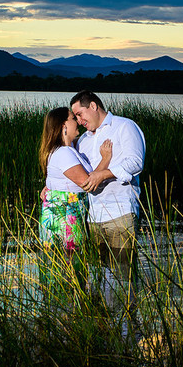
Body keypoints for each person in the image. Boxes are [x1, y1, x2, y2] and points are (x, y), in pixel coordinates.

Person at [69, 90, 146, 310]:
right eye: (75, 118)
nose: (79, 121)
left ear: (93, 106)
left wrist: (104, 173)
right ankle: (108, 329)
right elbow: (77, 174)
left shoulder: (124, 126)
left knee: (123, 275)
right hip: (93, 217)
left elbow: (135, 162)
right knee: (101, 275)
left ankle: (127, 331)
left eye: (80, 114)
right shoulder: (83, 140)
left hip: (120, 212)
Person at [37, 106, 111, 294]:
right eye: (72, 118)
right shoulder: (63, 153)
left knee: (65, 272)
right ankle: (68, 315)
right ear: (63, 125)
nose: (77, 121)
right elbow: (87, 183)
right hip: (64, 223)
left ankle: (63, 314)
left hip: (64, 219)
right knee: (68, 273)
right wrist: (105, 159)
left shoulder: (68, 149)